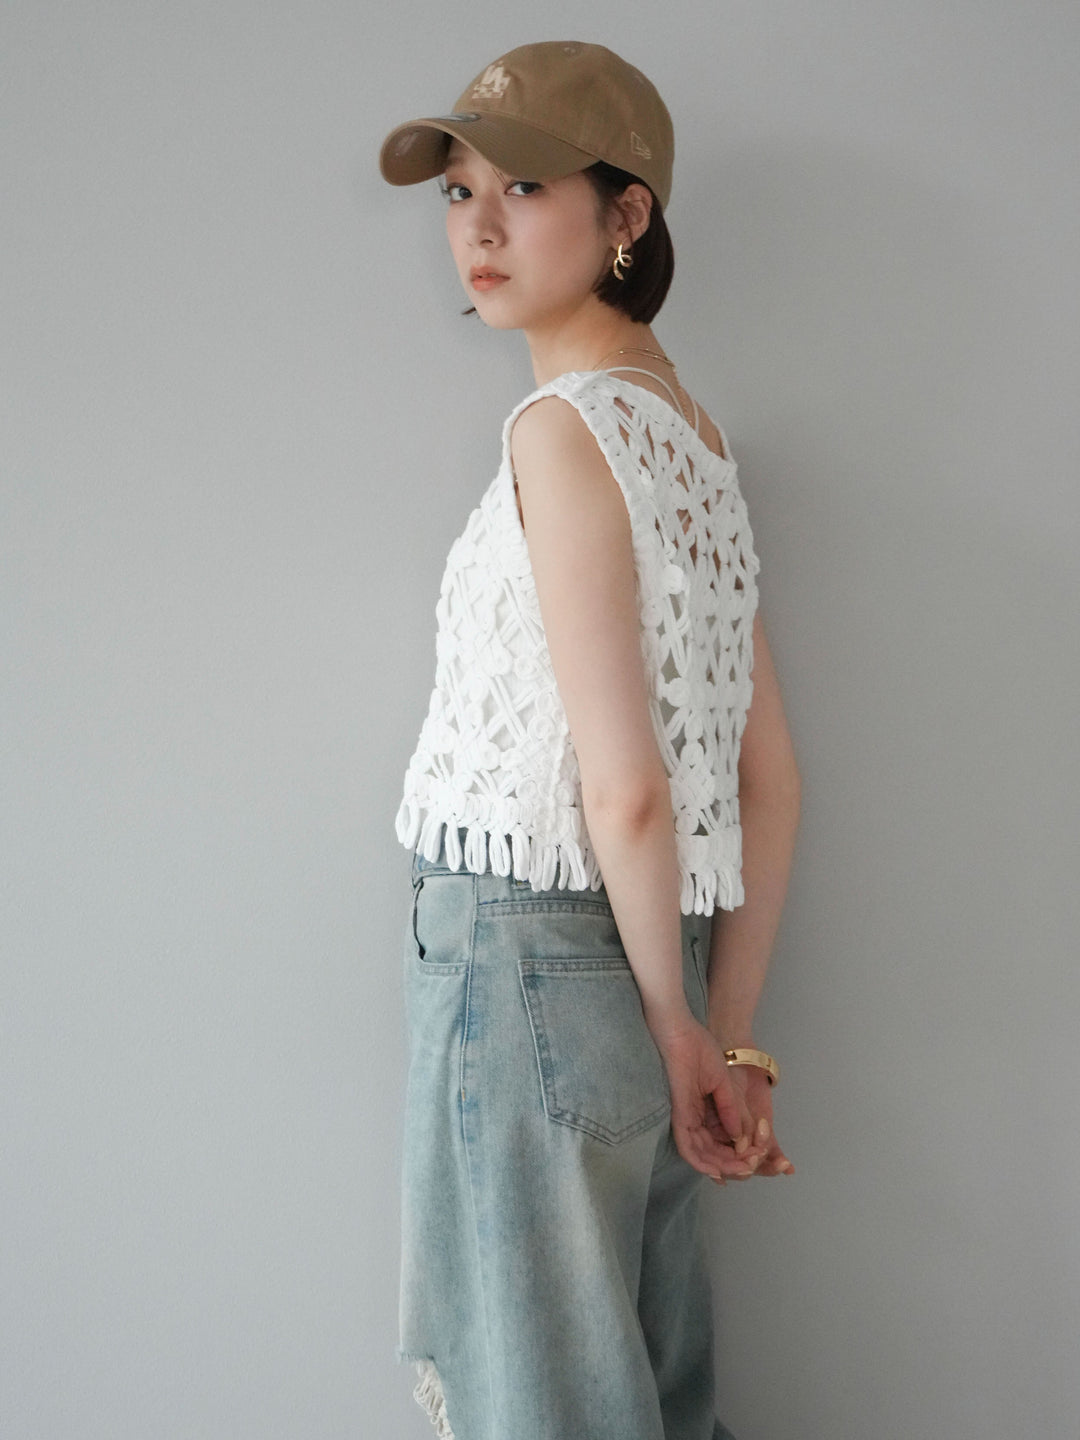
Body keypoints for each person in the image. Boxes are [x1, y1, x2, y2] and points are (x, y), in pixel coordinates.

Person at [378, 40, 801, 1440]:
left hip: (525, 955)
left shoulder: (561, 434)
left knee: (539, 1398)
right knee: (654, 1389)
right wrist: (723, 1037)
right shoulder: (696, 443)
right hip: (657, 954)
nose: (478, 229)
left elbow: (628, 788)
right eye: (458, 192)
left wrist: (680, 1032)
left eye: (524, 188)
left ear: (628, 214)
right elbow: (767, 777)